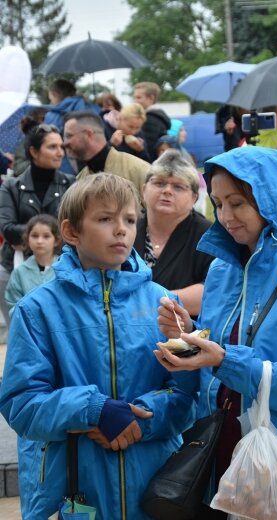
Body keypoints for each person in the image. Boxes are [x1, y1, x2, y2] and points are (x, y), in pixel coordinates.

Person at [153, 146, 277, 519]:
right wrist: (190, 333)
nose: (225, 217)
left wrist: (225, 359)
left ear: (272, 199)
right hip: (220, 468)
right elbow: (223, 346)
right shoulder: (220, 271)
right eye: (217, 203)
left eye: (237, 203)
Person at [0, 173, 198, 519]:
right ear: (71, 231)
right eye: (105, 218)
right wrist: (94, 408)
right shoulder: (37, 310)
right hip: (79, 487)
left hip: (155, 487)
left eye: (130, 220)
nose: (121, 229)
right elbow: (21, 404)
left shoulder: (164, 302)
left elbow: (188, 394)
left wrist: (142, 421)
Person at [0, 123, 75, 337]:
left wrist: (29, 235)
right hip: (14, 266)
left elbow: (77, 227)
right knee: (21, 334)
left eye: (61, 146)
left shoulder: (70, 184)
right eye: (52, 147)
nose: (60, 152)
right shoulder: (11, 186)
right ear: (33, 151)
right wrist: (54, 232)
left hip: (62, 267)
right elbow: (6, 228)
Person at [134, 149, 213, 317]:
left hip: (184, 336)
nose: (167, 191)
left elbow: (213, 291)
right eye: (159, 183)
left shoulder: (208, 236)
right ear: (143, 190)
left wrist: (143, 304)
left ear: (194, 198)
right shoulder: (127, 229)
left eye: (178, 186)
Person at [63, 111, 148, 194]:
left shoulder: (138, 170)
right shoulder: (79, 180)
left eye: (69, 136)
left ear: (89, 134)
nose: (64, 143)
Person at [4, 214, 61, 316]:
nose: (39, 241)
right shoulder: (19, 273)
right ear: (27, 239)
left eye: (46, 236)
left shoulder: (64, 270)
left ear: (56, 240)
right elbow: (13, 306)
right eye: (34, 236)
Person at [133, 81, 172, 159]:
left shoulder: (150, 119)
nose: (135, 101)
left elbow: (148, 148)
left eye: (139, 97)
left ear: (151, 98)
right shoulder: (157, 116)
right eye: (135, 97)